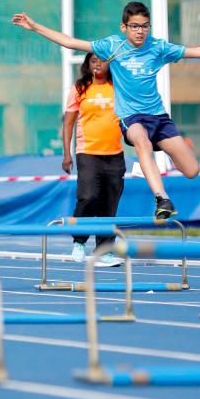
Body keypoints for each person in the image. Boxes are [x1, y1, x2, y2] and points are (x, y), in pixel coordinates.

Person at [13, 2, 200, 218]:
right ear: (124, 27)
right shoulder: (112, 46)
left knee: (192, 170)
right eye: (135, 26)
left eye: (144, 26)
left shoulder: (157, 47)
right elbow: (70, 42)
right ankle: (162, 198)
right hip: (132, 118)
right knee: (141, 141)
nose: (140, 31)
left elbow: (195, 52)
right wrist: (35, 27)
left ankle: (152, 158)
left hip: (158, 117)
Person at [62, 52, 124, 265]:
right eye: (93, 61)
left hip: (115, 154)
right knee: (88, 197)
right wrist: (66, 154)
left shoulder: (118, 86)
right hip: (88, 152)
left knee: (109, 205)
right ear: (88, 64)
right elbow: (68, 123)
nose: (98, 64)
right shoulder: (79, 88)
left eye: (102, 60)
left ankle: (104, 251)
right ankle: (79, 241)